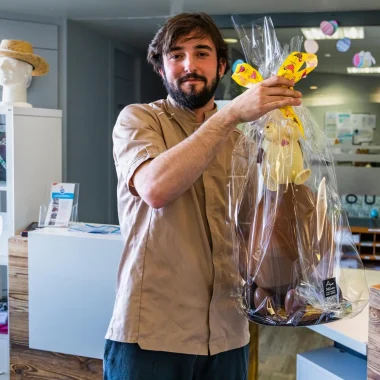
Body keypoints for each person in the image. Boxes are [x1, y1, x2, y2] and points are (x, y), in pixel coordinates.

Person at [104, 12, 302, 380]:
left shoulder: (244, 144)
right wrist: (229, 116)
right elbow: (155, 188)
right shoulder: (139, 120)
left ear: (222, 66)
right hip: (152, 335)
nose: (189, 65)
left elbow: (249, 238)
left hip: (229, 335)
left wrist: (273, 287)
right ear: (162, 70)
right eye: (176, 55)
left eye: (201, 53)